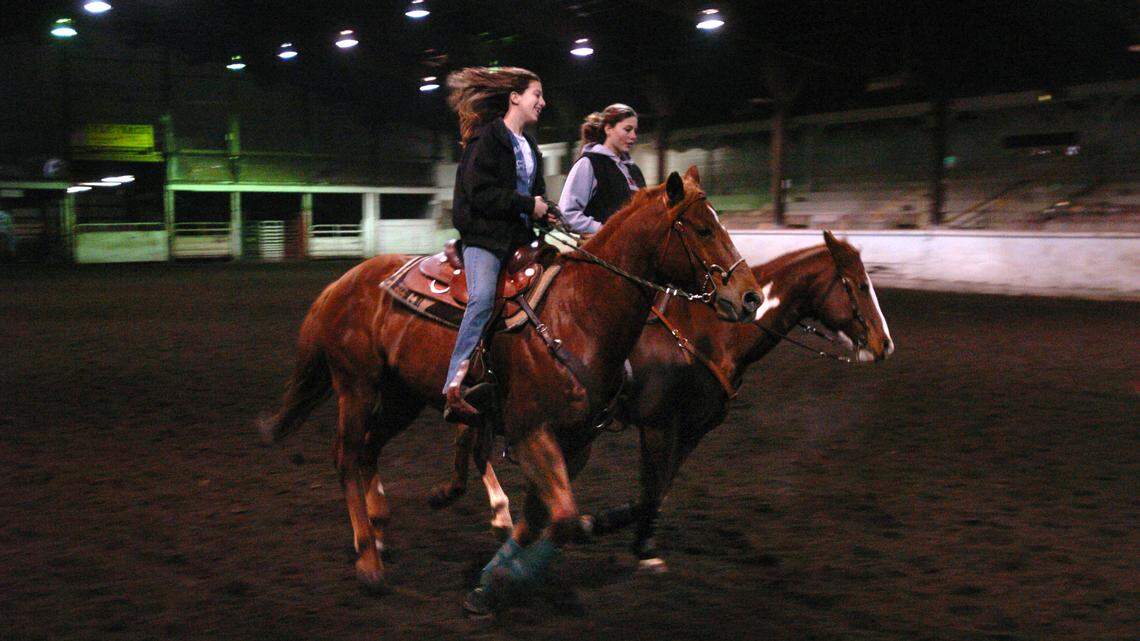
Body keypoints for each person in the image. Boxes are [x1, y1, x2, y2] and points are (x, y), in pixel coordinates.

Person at [442, 66, 555, 421]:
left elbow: (536, 194)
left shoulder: (530, 146)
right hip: (485, 239)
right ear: (515, 97)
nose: (542, 102)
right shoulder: (487, 139)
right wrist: (528, 205)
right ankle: (455, 383)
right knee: (481, 299)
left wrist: (546, 212)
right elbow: (480, 193)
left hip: (520, 239)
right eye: (537, 94)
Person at [558, 103, 646, 234]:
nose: (633, 136)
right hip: (602, 247)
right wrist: (604, 231)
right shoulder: (589, 163)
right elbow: (567, 214)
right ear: (608, 129)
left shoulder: (634, 170)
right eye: (627, 129)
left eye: (635, 130)